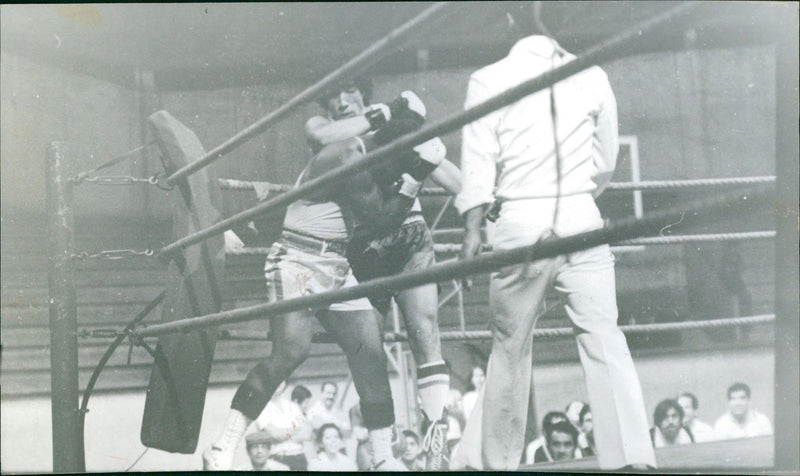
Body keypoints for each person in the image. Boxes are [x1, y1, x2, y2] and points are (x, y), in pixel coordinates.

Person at [203, 90, 443, 471]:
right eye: (400, 161)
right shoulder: (347, 155)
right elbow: (383, 220)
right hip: (298, 259)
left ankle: (382, 458)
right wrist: (416, 174)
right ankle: (222, 446)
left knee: (371, 355)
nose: (397, 172)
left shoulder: (370, 156)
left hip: (336, 263)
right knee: (291, 352)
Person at [453, 32, 655, 470]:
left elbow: (478, 161)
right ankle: (632, 458)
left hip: (520, 219)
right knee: (604, 336)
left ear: (508, 22)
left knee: (510, 346)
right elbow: (605, 161)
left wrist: (472, 229)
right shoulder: (593, 73)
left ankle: (493, 462)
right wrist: (579, 197)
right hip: (581, 214)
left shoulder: (489, 78)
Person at [305, 77, 461, 469]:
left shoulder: (395, 129)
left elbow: (457, 181)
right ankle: (382, 458)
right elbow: (324, 138)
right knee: (368, 356)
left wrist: (419, 147)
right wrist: (387, 117)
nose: (341, 101)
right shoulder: (324, 129)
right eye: (332, 97)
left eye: (349, 92)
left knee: (426, 338)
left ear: (363, 92)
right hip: (363, 245)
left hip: (409, 234)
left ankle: (436, 449)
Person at [254, 384, 315, 470]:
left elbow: (307, 433)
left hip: (300, 458)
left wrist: (284, 434)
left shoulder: (292, 406)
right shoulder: (261, 408)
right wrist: (296, 430)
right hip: (279, 458)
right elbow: (276, 434)